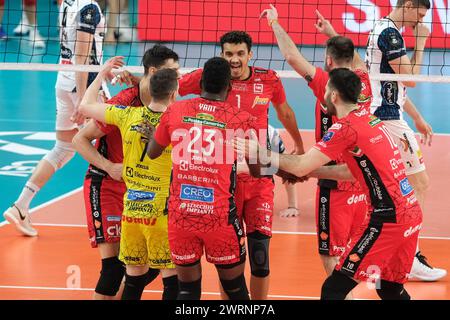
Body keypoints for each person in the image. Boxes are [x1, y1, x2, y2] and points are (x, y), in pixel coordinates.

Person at [235, 68, 423, 300]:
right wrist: (312, 173)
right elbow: (350, 171)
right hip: (410, 213)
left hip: (388, 218)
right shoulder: (371, 120)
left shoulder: (345, 128)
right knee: (390, 289)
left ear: (333, 96)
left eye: (325, 90)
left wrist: (260, 153)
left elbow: (301, 164)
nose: (323, 94)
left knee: (333, 288)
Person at [179, 30, 305, 300]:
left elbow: (285, 112)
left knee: (260, 257)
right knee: (229, 260)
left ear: (250, 54)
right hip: (223, 180)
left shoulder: (268, 79)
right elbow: (169, 87)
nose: (234, 60)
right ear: (221, 54)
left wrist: (299, 144)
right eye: (228, 54)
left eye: (239, 54)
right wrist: (137, 82)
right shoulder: (209, 77)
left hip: (259, 177)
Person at [261, 5, 371, 296]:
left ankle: (345, 296)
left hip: (333, 181)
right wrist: (332, 34)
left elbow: (292, 56)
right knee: (359, 251)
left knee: (330, 254)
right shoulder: (365, 81)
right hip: (362, 179)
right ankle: (361, 291)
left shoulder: (326, 83)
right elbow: (354, 59)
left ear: (328, 60)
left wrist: (274, 21)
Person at [72, 45, 180, 300]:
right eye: (174, 71)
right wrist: (109, 167)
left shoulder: (165, 102)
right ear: (154, 72)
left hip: (137, 191)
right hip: (106, 183)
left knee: (146, 268)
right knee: (113, 270)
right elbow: (79, 139)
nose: (179, 76)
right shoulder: (124, 104)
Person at [145, 57, 256, 300]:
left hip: (181, 215)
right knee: (235, 289)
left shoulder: (175, 111)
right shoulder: (241, 119)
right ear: (230, 86)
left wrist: (157, 131)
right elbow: (258, 171)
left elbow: (152, 152)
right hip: (219, 218)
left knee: (187, 291)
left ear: (201, 82)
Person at [3, 0, 106, 237]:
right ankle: (116, 213)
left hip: (63, 80)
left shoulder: (68, 3)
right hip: (84, 86)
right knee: (114, 143)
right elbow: (82, 57)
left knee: (62, 148)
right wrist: (84, 100)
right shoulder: (89, 7)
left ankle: (20, 206)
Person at [365, 0, 446, 281]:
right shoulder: (390, 34)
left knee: (395, 191)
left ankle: (400, 254)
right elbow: (409, 79)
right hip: (387, 121)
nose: (419, 22)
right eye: (420, 15)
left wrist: (418, 118)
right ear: (408, 5)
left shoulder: (381, 27)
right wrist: (421, 41)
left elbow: (394, 84)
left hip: (386, 115)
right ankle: (409, 257)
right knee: (417, 184)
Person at [267, 125, 299, 218]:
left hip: (259, 192)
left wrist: (292, 206)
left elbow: (287, 168)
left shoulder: (270, 133)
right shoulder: (226, 130)